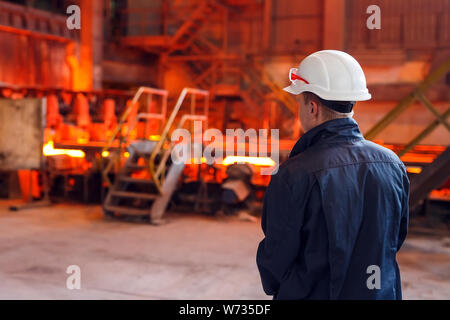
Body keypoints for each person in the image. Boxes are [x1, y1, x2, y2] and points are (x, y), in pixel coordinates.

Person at [256, 50, 409, 300]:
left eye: (300, 103)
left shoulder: (295, 174)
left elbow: (275, 261)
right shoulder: (392, 163)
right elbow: (394, 239)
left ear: (313, 107)